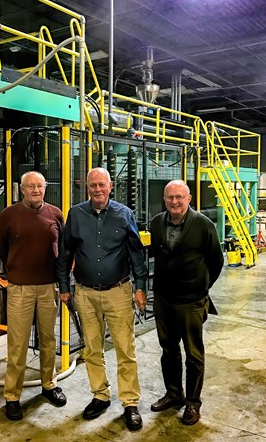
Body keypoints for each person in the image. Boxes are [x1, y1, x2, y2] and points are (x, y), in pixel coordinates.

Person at [56, 167, 148, 431]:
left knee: (124, 349)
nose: (97, 189)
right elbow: (65, 253)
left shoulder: (124, 214)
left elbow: (136, 254)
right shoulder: (76, 214)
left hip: (118, 291)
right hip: (84, 293)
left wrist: (140, 287)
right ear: (87, 187)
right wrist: (64, 286)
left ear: (110, 187)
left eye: (101, 185)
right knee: (91, 349)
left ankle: (130, 402)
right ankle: (100, 395)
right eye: (92, 185)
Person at [149, 180, 224, 426]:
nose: (175, 202)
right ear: (164, 199)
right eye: (170, 197)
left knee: (193, 354)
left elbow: (216, 261)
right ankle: (174, 394)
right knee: (168, 350)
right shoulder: (157, 223)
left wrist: (200, 288)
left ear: (189, 198)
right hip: (163, 299)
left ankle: (192, 401)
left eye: (180, 197)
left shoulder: (204, 225)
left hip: (191, 301)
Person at [0, 171, 67, 421]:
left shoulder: (55, 213)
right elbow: (1, 247)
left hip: (49, 287)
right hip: (20, 288)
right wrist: (16, 269)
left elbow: (62, 246)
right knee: (18, 343)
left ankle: (49, 384)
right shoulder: (8, 215)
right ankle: (12, 395)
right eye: (31, 186)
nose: (36, 190)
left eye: (40, 186)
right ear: (22, 189)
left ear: (45, 188)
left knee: (48, 339)